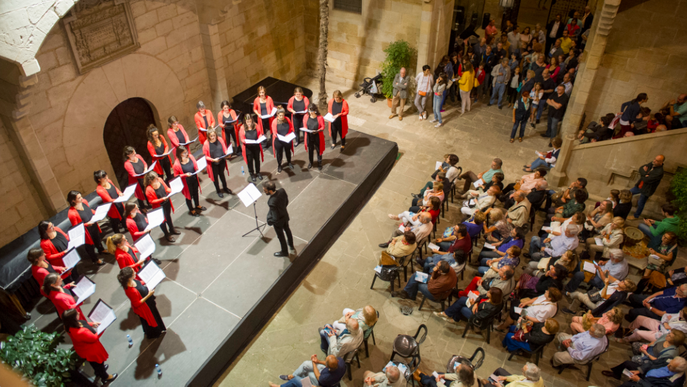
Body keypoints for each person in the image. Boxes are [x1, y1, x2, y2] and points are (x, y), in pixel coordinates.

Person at [62, 309, 117, 384]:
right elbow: (94, 338)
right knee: (99, 364)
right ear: (73, 318)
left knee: (95, 364)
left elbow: (83, 323)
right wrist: (103, 328)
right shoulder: (80, 332)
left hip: (83, 349)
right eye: (76, 314)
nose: (78, 313)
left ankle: (98, 372)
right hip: (91, 351)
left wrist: (92, 324)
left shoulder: (69, 325)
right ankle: (105, 377)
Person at [117, 267, 166, 339]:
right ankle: (155, 333)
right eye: (133, 273)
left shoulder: (131, 281)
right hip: (145, 307)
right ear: (129, 277)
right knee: (151, 319)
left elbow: (139, 283)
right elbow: (137, 304)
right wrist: (149, 295)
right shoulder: (131, 291)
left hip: (148, 302)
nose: (135, 273)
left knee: (155, 316)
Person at [495, 288, 562, 331]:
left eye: (547, 292)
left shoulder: (548, 309)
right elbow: (536, 298)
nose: (546, 291)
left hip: (529, 317)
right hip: (529, 308)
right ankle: (509, 321)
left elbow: (538, 320)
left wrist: (526, 316)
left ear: (550, 298)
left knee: (513, 313)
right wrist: (525, 303)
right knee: (515, 302)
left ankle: (504, 326)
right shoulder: (545, 296)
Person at [66, 190, 104, 265]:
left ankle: (101, 249)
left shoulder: (84, 202)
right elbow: (76, 227)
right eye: (79, 198)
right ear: (73, 200)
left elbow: (89, 210)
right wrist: (86, 224)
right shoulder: (72, 213)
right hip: (86, 231)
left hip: (93, 224)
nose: (81, 198)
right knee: (90, 246)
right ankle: (95, 259)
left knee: (97, 238)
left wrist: (97, 212)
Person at [565, 278, 636, 317]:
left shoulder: (618, 295)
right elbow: (606, 276)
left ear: (626, 288)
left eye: (624, 283)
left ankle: (568, 294)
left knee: (578, 294)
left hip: (597, 305)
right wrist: (601, 270)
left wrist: (606, 284)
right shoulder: (617, 283)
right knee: (581, 297)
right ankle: (572, 310)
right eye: (623, 281)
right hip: (596, 296)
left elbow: (604, 296)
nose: (622, 282)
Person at [436, 286, 502, 324]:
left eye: (489, 292)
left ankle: (453, 317)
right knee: (462, 299)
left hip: (476, 316)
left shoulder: (491, 308)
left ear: (493, 296)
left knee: (461, 307)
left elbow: (480, 316)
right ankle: (449, 314)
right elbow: (480, 296)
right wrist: (475, 303)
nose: (487, 292)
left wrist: (472, 306)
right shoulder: (488, 297)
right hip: (476, 306)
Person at [620, 306, 687, 343]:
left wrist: (666, 322)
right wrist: (666, 323)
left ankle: (626, 339)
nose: (679, 311)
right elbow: (665, 316)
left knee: (639, 333)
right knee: (639, 318)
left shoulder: (684, 327)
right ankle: (629, 330)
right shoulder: (679, 314)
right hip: (660, 325)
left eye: (681, 312)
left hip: (661, 335)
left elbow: (667, 332)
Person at [144, 171, 178, 242]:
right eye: (155, 178)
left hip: (166, 202)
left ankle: (171, 229)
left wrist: (172, 190)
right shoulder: (148, 189)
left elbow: (166, 188)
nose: (157, 178)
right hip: (159, 206)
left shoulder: (160, 180)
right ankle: (167, 234)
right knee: (162, 221)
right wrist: (161, 199)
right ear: (150, 180)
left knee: (168, 216)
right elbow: (151, 202)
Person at [264, 181, 296, 257]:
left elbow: (275, 217)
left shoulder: (271, 202)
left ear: (270, 190)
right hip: (284, 215)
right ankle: (291, 245)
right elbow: (286, 202)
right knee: (287, 230)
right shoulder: (282, 191)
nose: (264, 192)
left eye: (265, 190)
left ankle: (284, 251)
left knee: (281, 236)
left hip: (279, 222)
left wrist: (270, 222)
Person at [271, 354, 345, 387]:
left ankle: (280, 386)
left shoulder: (326, 377)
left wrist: (313, 362)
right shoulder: (341, 361)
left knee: (307, 374)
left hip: (321, 383)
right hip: (327, 373)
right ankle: (292, 376)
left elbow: (318, 376)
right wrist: (318, 361)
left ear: (326, 366)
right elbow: (328, 363)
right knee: (305, 364)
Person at [629, 154, 665, 219]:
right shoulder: (652, 164)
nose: (654, 161)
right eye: (654, 159)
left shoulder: (659, 172)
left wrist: (645, 175)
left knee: (640, 203)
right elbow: (641, 168)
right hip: (639, 186)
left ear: (661, 162)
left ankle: (636, 216)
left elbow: (647, 180)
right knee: (628, 193)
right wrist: (645, 174)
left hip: (646, 190)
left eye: (656, 160)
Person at [172, 147, 205, 217]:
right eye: (184, 153)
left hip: (194, 178)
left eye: (186, 152)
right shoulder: (176, 164)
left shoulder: (190, 156)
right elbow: (176, 176)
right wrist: (185, 175)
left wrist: (198, 168)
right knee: (189, 196)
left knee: (195, 192)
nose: (186, 154)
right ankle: (191, 209)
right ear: (180, 154)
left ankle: (197, 205)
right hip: (186, 182)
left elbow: (195, 164)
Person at [203, 127, 232, 197]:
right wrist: (213, 160)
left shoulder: (220, 139)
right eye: (211, 136)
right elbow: (205, 156)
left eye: (214, 135)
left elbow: (224, 149)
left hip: (221, 161)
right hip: (213, 164)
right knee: (215, 177)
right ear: (208, 136)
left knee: (222, 174)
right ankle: (218, 190)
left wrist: (227, 153)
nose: (213, 137)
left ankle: (225, 187)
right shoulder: (206, 144)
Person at [238, 113, 265, 182]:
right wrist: (246, 141)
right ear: (245, 122)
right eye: (247, 122)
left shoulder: (255, 125)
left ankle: (258, 172)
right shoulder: (242, 128)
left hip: (256, 146)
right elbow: (242, 139)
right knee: (250, 161)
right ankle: (252, 174)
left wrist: (260, 138)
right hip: (248, 148)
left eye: (250, 121)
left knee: (257, 160)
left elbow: (259, 134)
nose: (249, 123)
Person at [271, 107, 295, 173]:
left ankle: (289, 162)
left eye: (283, 115)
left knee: (288, 151)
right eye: (280, 115)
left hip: (287, 139)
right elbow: (274, 132)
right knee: (279, 153)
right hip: (279, 140)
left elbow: (291, 127)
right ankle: (279, 165)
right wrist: (280, 136)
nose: (282, 117)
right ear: (277, 115)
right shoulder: (274, 121)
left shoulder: (287, 119)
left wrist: (288, 134)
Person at [303, 104, 326, 171]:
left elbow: (322, 127)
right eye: (309, 111)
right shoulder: (306, 116)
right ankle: (311, 162)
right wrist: (306, 129)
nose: (310, 112)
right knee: (310, 150)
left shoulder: (320, 117)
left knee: (319, 150)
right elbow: (304, 126)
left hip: (317, 136)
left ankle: (319, 163)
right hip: (309, 136)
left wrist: (318, 130)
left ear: (315, 110)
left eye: (312, 111)